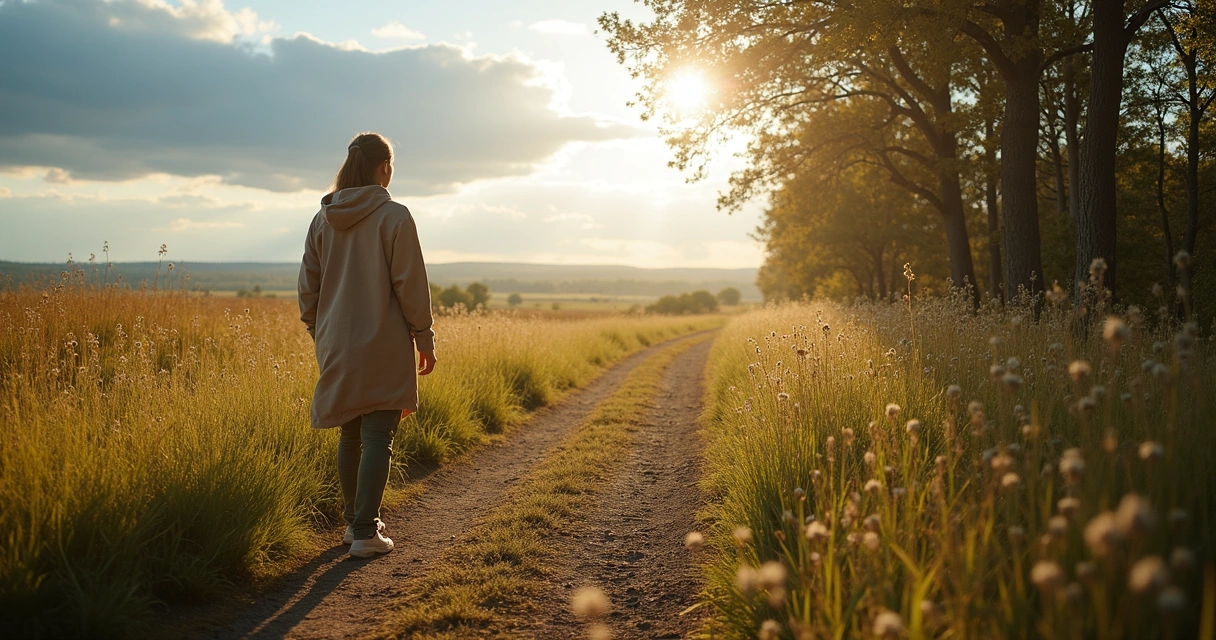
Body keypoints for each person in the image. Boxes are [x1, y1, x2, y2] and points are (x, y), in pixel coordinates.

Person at [298, 132, 437, 558]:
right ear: (385, 167)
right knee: (379, 433)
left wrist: (318, 330)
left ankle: (352, 524)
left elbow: (309, 286)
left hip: (335, 340)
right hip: (383, 339)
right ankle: (364, 531)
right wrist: (424, 336)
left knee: (350, 432)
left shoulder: (322, 218)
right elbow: (409, 284)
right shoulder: (395, 215)